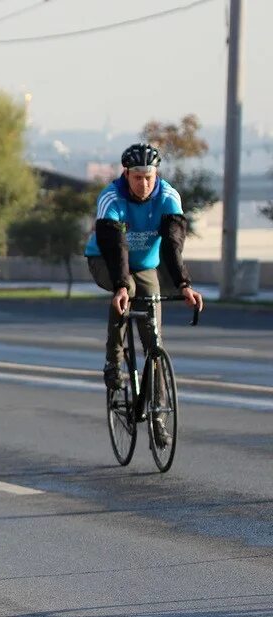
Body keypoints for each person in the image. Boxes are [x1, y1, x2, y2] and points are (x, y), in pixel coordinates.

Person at [83, 143, 203, 440]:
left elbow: (173, 245)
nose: (144, 183)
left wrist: (184, 285)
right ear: (127, 174)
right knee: (128, 291)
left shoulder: (168, 197)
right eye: (137, 177)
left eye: (149, 176)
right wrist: (121, 286)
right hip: (105, 261)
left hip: (146, 265)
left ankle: (159, 416)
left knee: (155, 341)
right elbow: (115, 247)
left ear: (156, 174)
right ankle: (113, 360)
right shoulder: (111, 198)